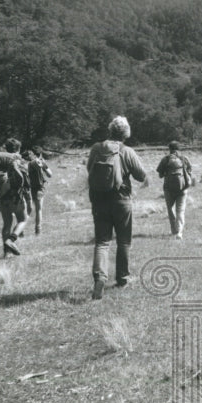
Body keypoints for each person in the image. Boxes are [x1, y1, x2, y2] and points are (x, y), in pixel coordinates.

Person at [86, 115, 148, 300]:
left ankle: (100, 278)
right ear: (126, 133)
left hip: (99, 200)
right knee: (123, 241)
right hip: (121, 200)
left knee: (102, 242)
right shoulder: (126, 151)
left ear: (110, 130)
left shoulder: (97, 148)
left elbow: (89, 170)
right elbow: (141, 175)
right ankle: (122, 278)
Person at [0, 138, 31, 257]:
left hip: (1, 197)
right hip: (15, 196)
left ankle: (6, 253)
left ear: (6, 148)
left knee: (7, 223)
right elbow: (24, 179)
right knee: (23, 219)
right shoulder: (18, 160)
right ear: (18, 149)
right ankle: (11, 240)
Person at [156, 141, 192, 239]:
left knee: (171, 210)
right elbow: (189, 171)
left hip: (168, 189)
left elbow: (160, 174)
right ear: (179, 148)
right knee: (180, 210)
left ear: (169, 149)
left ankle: (174, 231)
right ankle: (180, 232)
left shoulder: (166, 159)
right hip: (183, 189)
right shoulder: (184, 159)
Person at [26, 146, 52, 235]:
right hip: (40, 188)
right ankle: (38, 230)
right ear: (40, 153)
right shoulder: (41, 162)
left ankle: (19, 229)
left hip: (29, 188)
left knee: (28, 210)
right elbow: (50, 174)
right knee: (38, 209)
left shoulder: (30, 163)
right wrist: (43, 165)